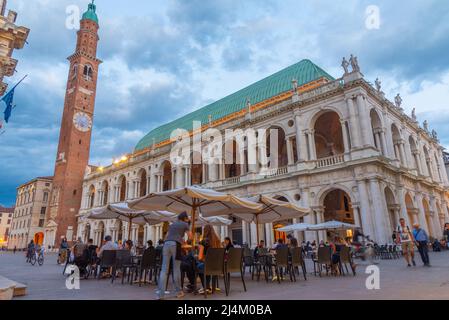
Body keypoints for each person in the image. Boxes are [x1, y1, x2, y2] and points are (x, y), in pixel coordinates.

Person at [157, 212, 191, 300]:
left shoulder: (172, 225)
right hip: (176, 245)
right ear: (185, 218)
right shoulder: (185, 224)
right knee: (176, 269)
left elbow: (167, 237)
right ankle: (179, 292)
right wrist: (188, 241)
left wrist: (179, 240)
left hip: (166, 245)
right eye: (187, 218)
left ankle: (161, 294)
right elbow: (190, 236)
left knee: (164, 270)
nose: (188, 219)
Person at [197, 225, 222, 294]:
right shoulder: (218, 240)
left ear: (205, 231)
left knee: (197, 265)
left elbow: (200, 257)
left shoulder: (204, 241)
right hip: (217, 266)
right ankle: (207, 287)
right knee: (203, 264)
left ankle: (205, 286)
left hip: (208, 266)